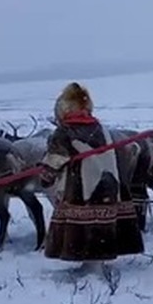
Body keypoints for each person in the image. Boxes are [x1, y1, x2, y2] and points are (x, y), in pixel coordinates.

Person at [38, 82, 144, 266]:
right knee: (102, 222)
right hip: (108, 183)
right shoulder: (99, 127)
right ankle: (97, 261)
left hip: (82, 186)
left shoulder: (65, 132)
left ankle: (91, 266)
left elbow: (55, 159)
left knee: (83, 223)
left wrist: (46, 176)